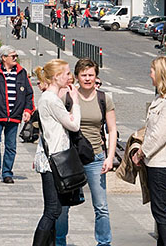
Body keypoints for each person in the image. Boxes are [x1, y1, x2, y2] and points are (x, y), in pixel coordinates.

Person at [56, 58, 117, 246]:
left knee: (101, 206)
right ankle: (59, 241)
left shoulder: (103, 98)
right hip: (71, 158)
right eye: (84, 75)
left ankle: (104, 242)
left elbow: (112, 129)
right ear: (76, 77)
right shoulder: (67, 96)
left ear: (96, 76)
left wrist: (110, 157)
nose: (88, 79)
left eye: (91, 75)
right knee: (64, 205)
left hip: (96, 157)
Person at [132, 57, 166, 246]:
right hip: (154, 162)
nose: (150, 75)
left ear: (162, 74)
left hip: (162, 162)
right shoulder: (161, 99)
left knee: (161, 211)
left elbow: (159, 135)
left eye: (152, 71)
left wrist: (141, 153)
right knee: (158, 209)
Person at [32, 59, 80, 245]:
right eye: (67, 73)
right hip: (54, 161)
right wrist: (75, 102)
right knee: (52, 210)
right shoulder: (51, 100)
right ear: (56, 76)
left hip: (52, 159)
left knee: (55, 209)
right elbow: (74, 125)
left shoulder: (50, 98)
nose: (70, 77)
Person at [0, 45, 34, 184]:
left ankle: (7, 172)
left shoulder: (21, 72)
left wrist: (28, 110)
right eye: (13, 56)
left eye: (16, 56)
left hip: (14, 115)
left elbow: (29, 93)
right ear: (3, 58)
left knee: (11, 146)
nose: (16, 58)